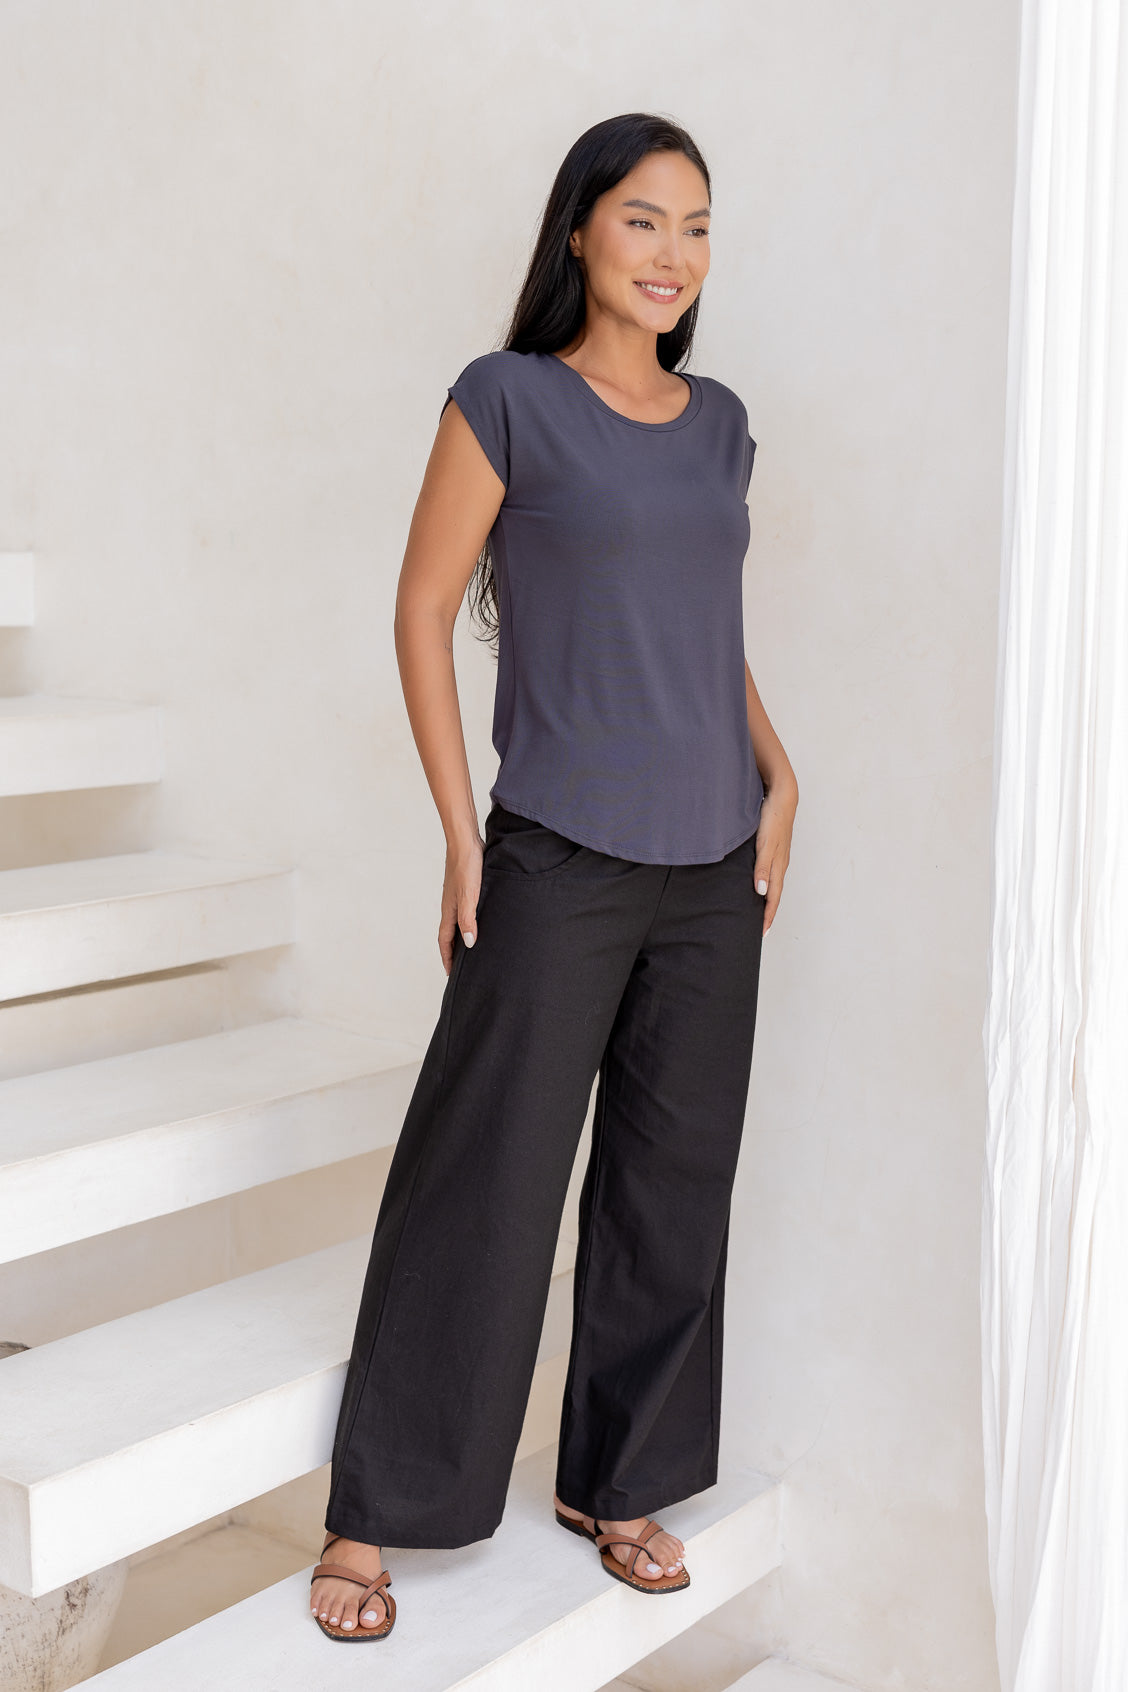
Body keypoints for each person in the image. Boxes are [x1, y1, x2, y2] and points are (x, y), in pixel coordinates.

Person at [308, 111, 798, 1642]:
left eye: (700, 227)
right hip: (559, 856)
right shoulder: (506, 400)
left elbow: (696, 631)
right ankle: (377, 1512)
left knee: (672, 1187)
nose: (675, 254)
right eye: (646, 220)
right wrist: (463, 833)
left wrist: (783, 773)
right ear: (582, 229)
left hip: (714, 864)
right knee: (487, 1181)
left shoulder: (719, 423)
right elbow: (421, 607)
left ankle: (619, 1481)